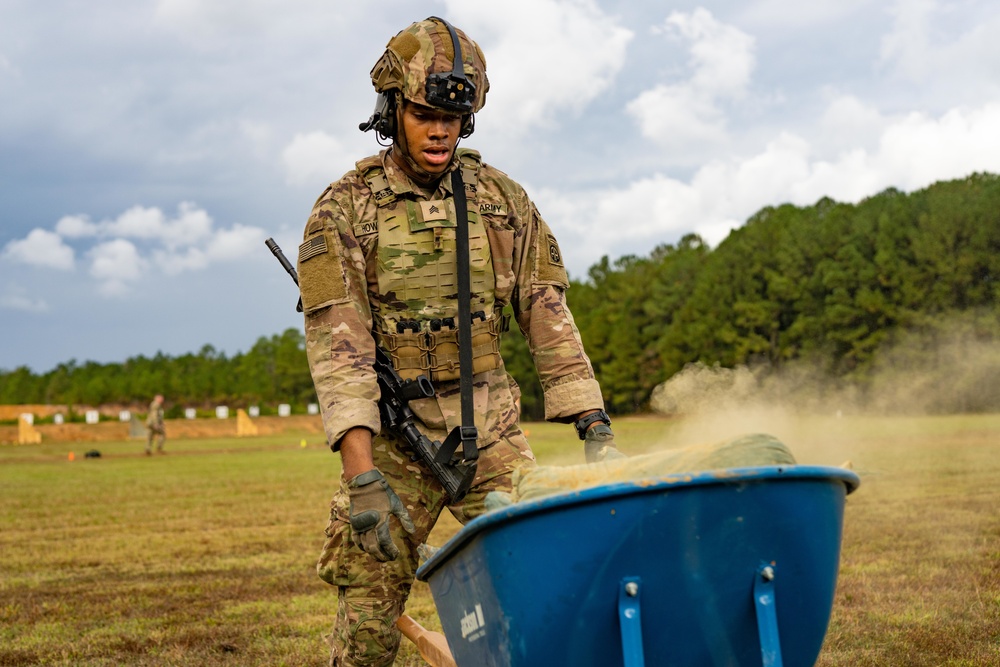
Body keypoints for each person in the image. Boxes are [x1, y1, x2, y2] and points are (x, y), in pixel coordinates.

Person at [297, 17, 623, 666]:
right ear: (393, 110)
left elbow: (546, 310)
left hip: (490, 432)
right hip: (392, 445)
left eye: (455, 112)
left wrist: (595, 423)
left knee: (556, 582)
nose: (441, 127)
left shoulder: (500, 200)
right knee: (367, 614)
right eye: (423, 112)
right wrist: (362, 477)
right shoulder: (346, 210)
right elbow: (342, 354)